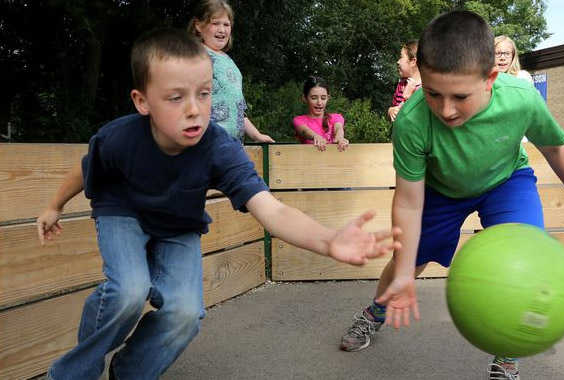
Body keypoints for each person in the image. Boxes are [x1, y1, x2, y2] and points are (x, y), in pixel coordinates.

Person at [37, 29, 401, 380]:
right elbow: (86, 170)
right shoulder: (120, 137)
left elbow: (272, 210)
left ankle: (132, 372)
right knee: (129, 290)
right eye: (176, 98)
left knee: (185, 313)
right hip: (123, 210)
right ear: (142, 101)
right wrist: (54, 206)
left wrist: (329, 241)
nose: (195, 110)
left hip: (177, 224)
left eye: (205, 94)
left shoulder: (219, 148)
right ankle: (73, 373)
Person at [338, 11, 564, 380]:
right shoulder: (412, 122)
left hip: (506, 181)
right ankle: (375, 312)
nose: (445, 109)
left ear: (490, 78)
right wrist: (405, 273)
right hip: (441, 191)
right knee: (405, 263)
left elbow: (557, 148)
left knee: (525, 261)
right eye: (432, 93)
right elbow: (409, 201)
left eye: (460, 95)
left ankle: (508, 352)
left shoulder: (521, 99)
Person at [188, 0, 274, 144]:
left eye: (226, 24)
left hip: (233, 146)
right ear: (198, 25)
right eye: (215, 23)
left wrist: (257, 135)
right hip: (207, 144)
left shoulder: (229, 61)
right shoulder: (196, 56)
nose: (222, 30)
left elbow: (238, 109)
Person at [293, 76, 349, 151]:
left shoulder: (336, 117)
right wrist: (316, 137)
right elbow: (304, 131)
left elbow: (338, 128)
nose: (319, 103)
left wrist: (340, 138)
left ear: (328, 98)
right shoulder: (299, 120)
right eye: (314, 98)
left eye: (323, 98)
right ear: (305, 98)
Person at [388, 39, 421, 122]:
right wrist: (390, 111)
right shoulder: (401, 84)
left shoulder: (425, 90)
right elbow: (395, 108)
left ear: (413, 62)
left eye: (401, 57)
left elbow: (419, 120)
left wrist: (407, 98)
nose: (398, 61)